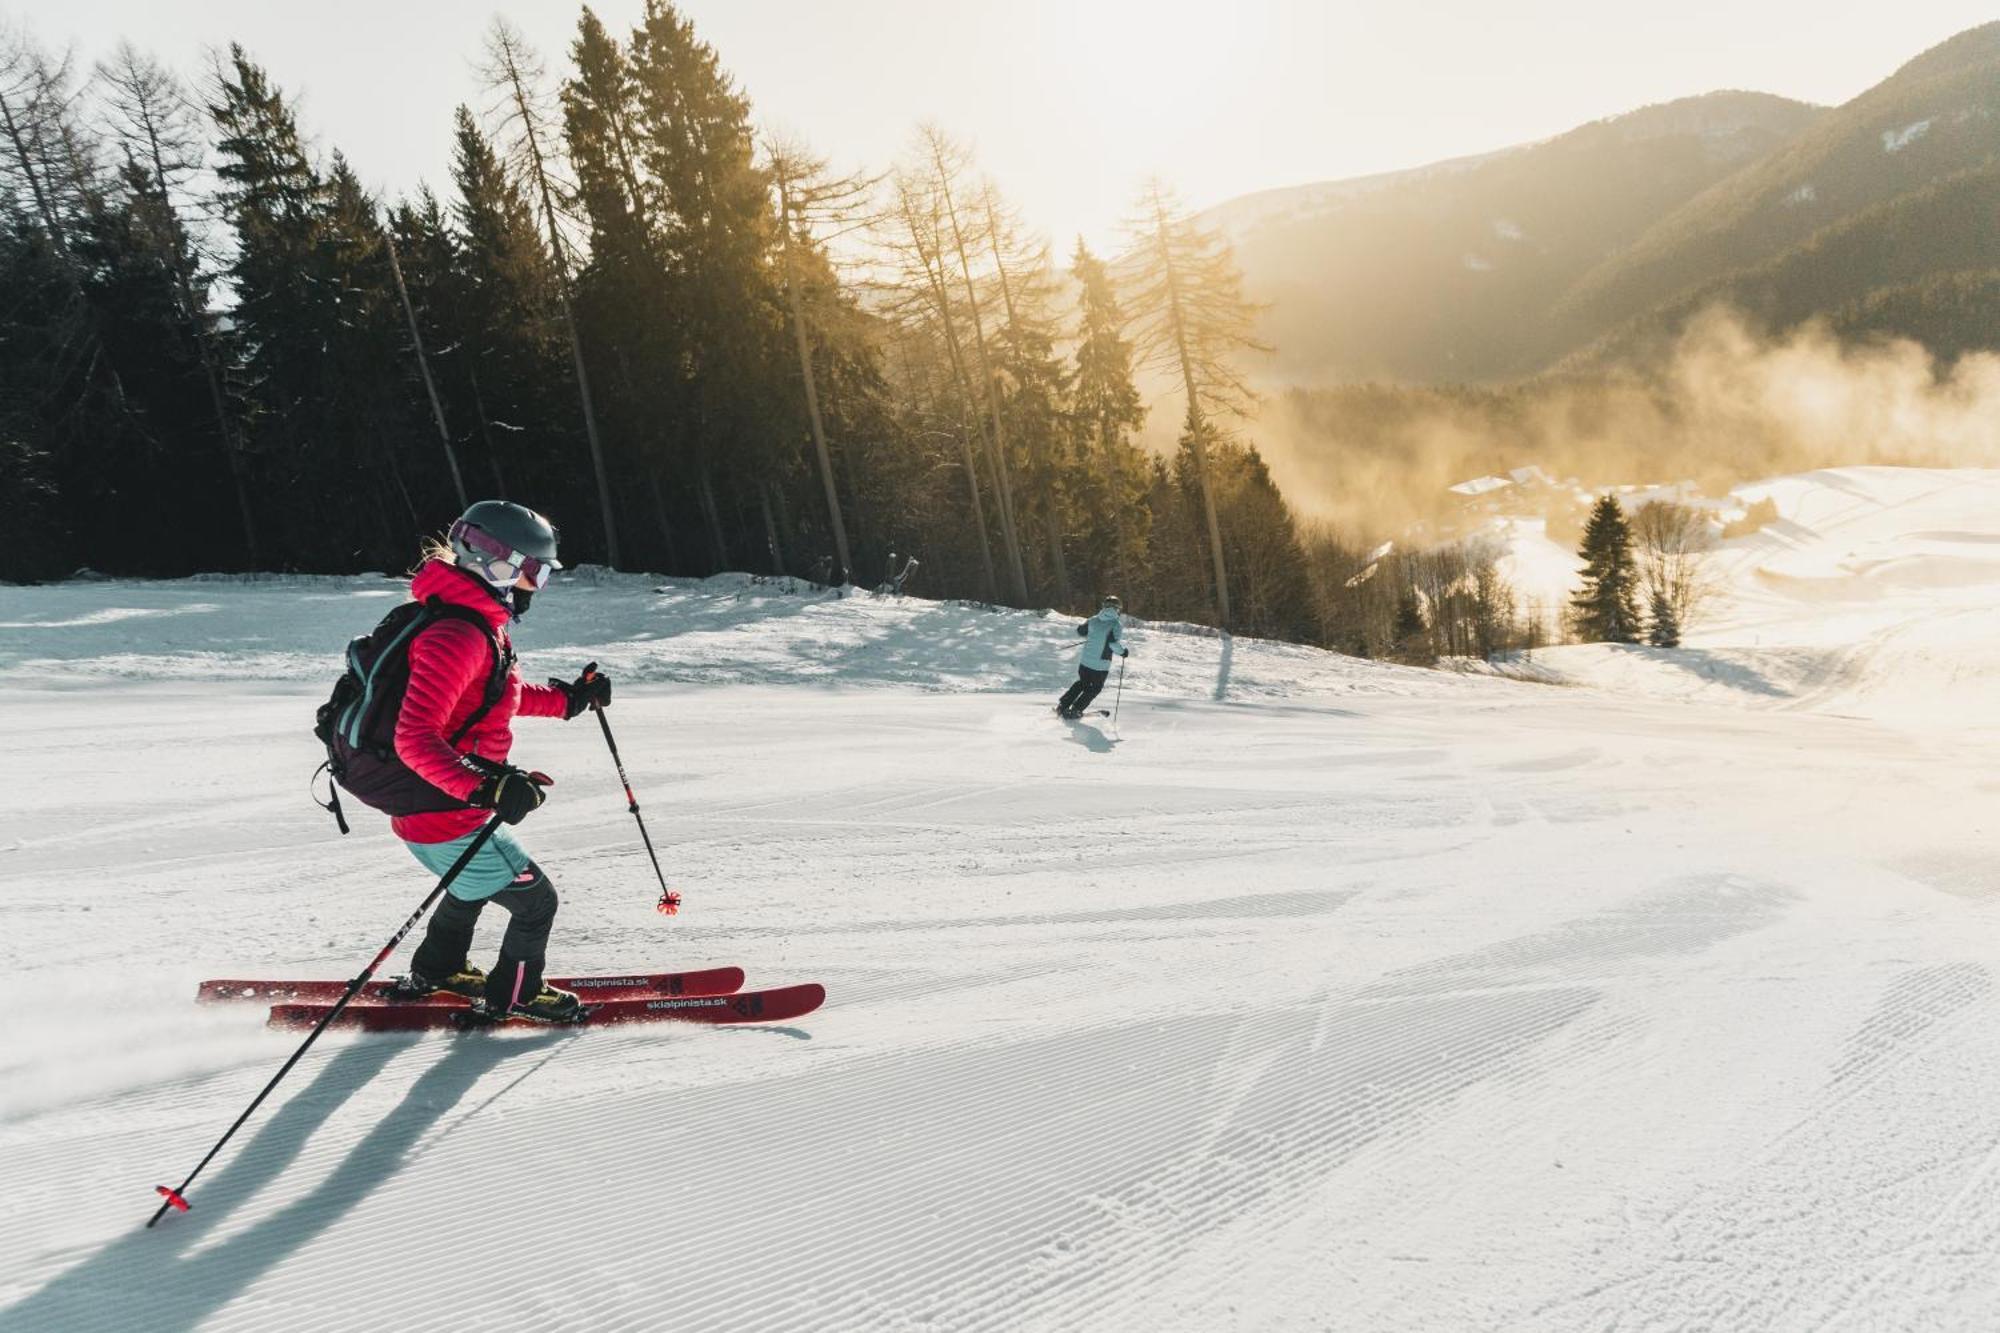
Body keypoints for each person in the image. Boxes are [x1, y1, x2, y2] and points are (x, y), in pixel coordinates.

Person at [395, 500, 612, 1021]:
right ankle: (516, 994)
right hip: (448, 812)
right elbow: (413, 738)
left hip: (441, 809)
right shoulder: (459, 634)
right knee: (537, 903)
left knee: (470, 887)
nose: (532, 589)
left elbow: (495, 698)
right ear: (496, 566)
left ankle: (438, 967)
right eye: (531, 574)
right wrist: (484, 788)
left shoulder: (469, 623)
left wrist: (568, 702)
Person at [1056, 595, 1130, 719]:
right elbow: (1112, 644)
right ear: (1118, 609)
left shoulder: (1093, 619)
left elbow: (1080, 631)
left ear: (1104, 606)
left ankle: (1063, 705)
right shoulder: (1115, 624)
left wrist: (1094, 636)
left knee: (1082, 683)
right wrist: (1123, 652)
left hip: (1085, 662)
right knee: (1095, 688)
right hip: (1100, 665)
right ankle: (1076, 709)